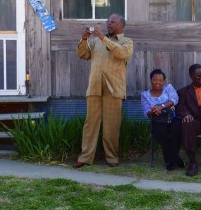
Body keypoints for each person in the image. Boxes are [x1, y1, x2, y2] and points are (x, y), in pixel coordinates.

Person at [73, 13, 133, 168]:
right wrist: (85, 38)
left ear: (121, 25)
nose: (108, 24)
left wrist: (102, 37)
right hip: (94, 86)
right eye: (107, 21)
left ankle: (111, 158)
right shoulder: (95, 41)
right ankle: (85, 157)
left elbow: (121, 53)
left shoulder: (127, 42)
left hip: (113, 89)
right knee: (90, 124)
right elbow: (82, 54)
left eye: (112, 21)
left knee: (112, 125)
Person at [141, 69, 184, 170]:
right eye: (155, 79)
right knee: (160, 132)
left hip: (172, 117)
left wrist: (161, 106)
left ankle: (170, 159)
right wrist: (153, 111)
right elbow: (146, 111)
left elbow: (174, 99)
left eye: (160, 80)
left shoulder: (168, 88)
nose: (158, 82)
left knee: (177, 128)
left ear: (164, 81)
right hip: (158, 120)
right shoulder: (145, 95)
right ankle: (174, 158)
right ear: (151, 80)